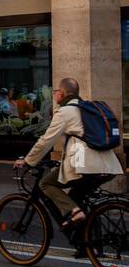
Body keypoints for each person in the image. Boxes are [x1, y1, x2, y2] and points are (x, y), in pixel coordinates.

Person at [15, 77, 125, 231]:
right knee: (76, 198)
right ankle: (87, 244)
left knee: (46, 184)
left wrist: (28, 161)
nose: (54, 96)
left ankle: (76, 213)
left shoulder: (65, 112)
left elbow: (46, 141)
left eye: (55, 92)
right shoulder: (87, 109)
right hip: (109, 164)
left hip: (84, 164)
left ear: (61, 93)